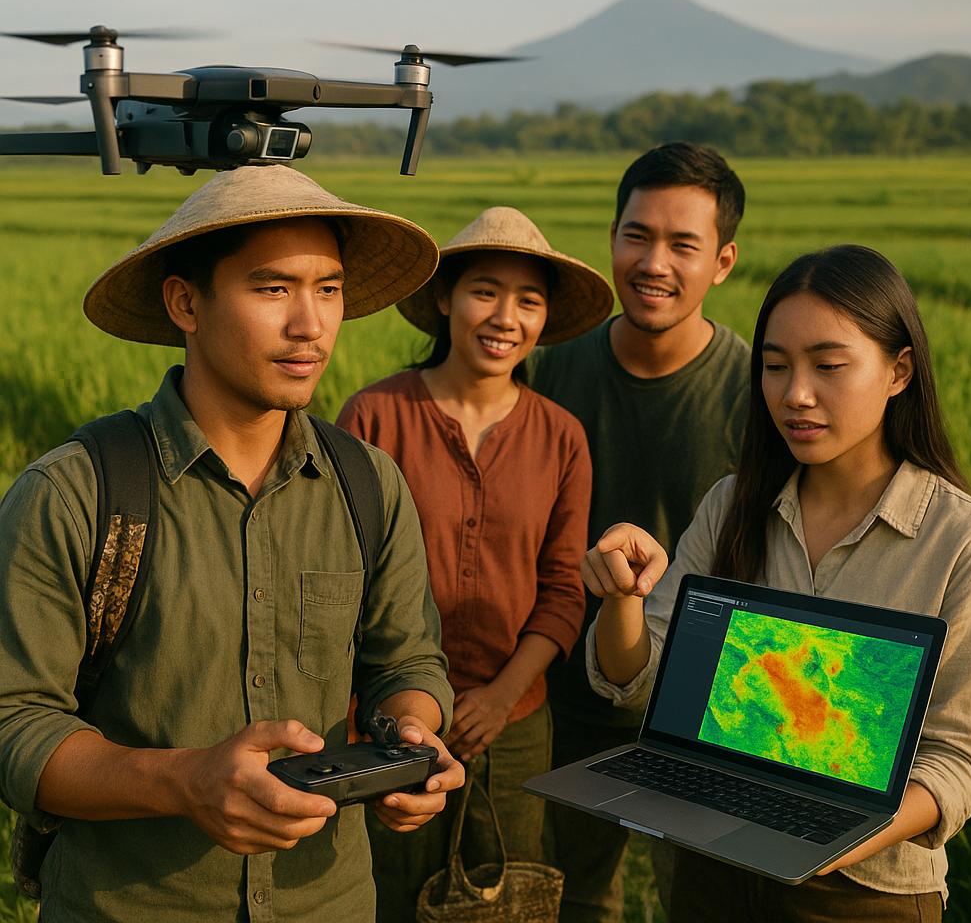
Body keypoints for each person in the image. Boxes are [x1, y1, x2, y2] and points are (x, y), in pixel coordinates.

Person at [0, 165, 464, 923]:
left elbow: (406, 660)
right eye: (272, 289)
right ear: (186, 301)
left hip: (329, 903)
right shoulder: (79, 494)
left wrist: (410, 736)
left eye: (329, 289)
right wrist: (186, 781)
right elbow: (15, 720)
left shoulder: (367, 483)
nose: (309, 325)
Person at [583, 244, 971, 922]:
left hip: (864, 892)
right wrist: (623, 600)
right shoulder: (733, 506)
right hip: (708, 864)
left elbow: (960, 756)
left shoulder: (968, 545)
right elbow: (638, 681)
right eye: (775, 366)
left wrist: (833, 841)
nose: (796, 394)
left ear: (899, 369)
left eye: (828, 365)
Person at [337, 206, 613, 921]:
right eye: (485, 291)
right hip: (386, 719)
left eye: (528, 300)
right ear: (444, 299)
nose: (505, 317)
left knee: (500, 898)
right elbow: (341, 578)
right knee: (387, 892)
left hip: (514, 723)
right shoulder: (374, 418)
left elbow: (562, 589)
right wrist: (364, 718)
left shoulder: (562, 438)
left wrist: (499, 696)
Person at [527, 141, 750, 921]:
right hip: (567, 696)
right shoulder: (552, 366)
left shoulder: (759, 394)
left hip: (705, 712)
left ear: (721, 261)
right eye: (637, 236)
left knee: (705, 899)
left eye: (683, 244)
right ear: (612, 238)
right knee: (577, 897)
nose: (654, 262)